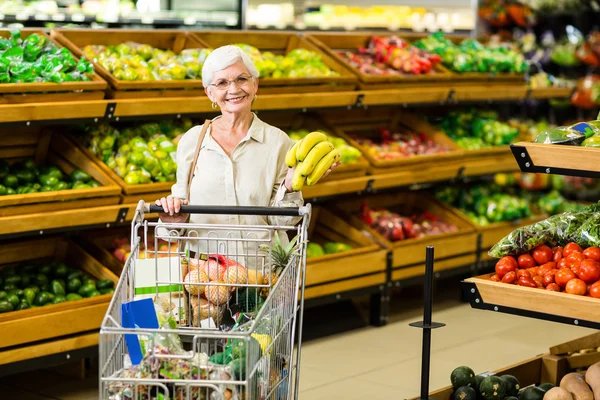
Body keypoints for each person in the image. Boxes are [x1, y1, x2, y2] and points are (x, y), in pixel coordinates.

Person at [155, 45, 338, 263]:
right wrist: (173, 219)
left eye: (242, 79)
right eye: (222, 82)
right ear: (210, 93)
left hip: (259, 275)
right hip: (204, 275)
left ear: (255, 84)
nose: (233, 89)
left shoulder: (279, 142)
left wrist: (289, 187)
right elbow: (177, 221)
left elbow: (284, 223)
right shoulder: (193, 141)